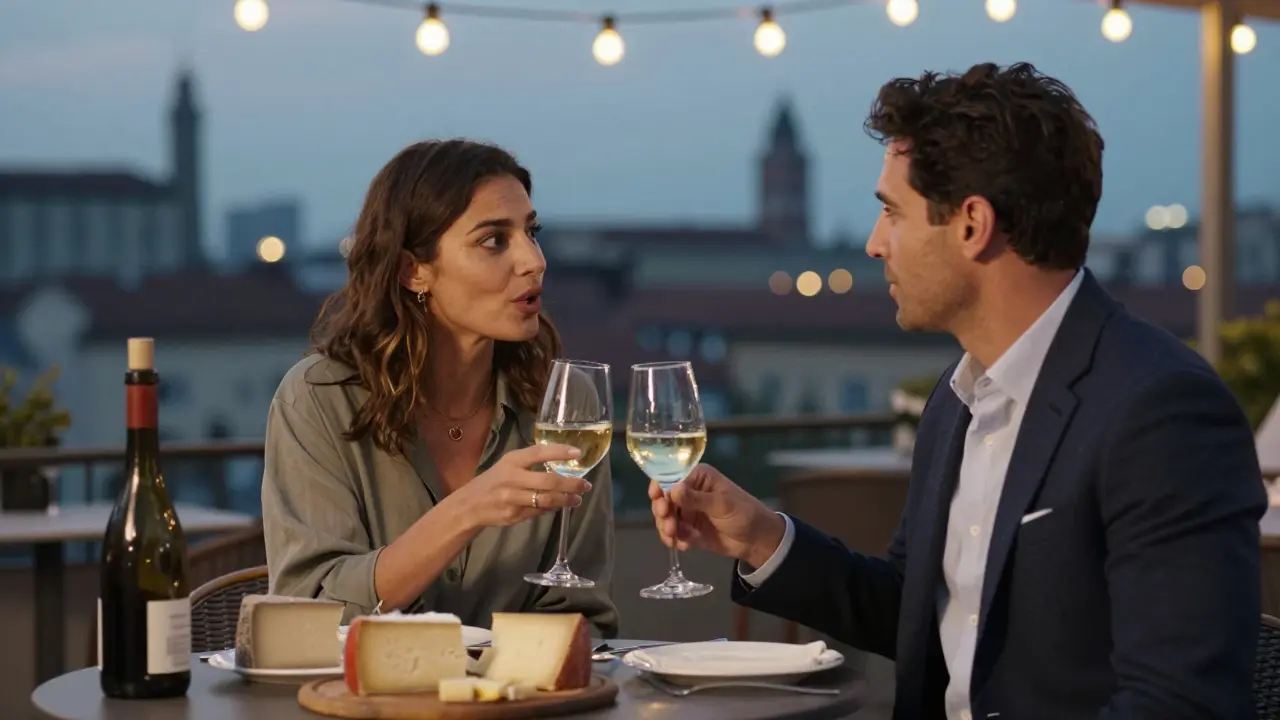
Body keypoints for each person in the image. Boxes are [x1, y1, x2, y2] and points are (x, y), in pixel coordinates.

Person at [650, 62, 1266, 718]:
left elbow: (1182, 704)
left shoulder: (1162, 411)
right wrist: (764, 539)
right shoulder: (959, 396)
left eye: (893, 213)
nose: (874, 243)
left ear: (972, 224)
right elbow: (923, 614)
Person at [262, 139, 619, 638]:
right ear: (414, 270)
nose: (534, 260)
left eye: (531, 232)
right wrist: (468, 510)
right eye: (495, 240)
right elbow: (308, 612)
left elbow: (581, 614)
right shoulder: (319, 398)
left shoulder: (566, 403)